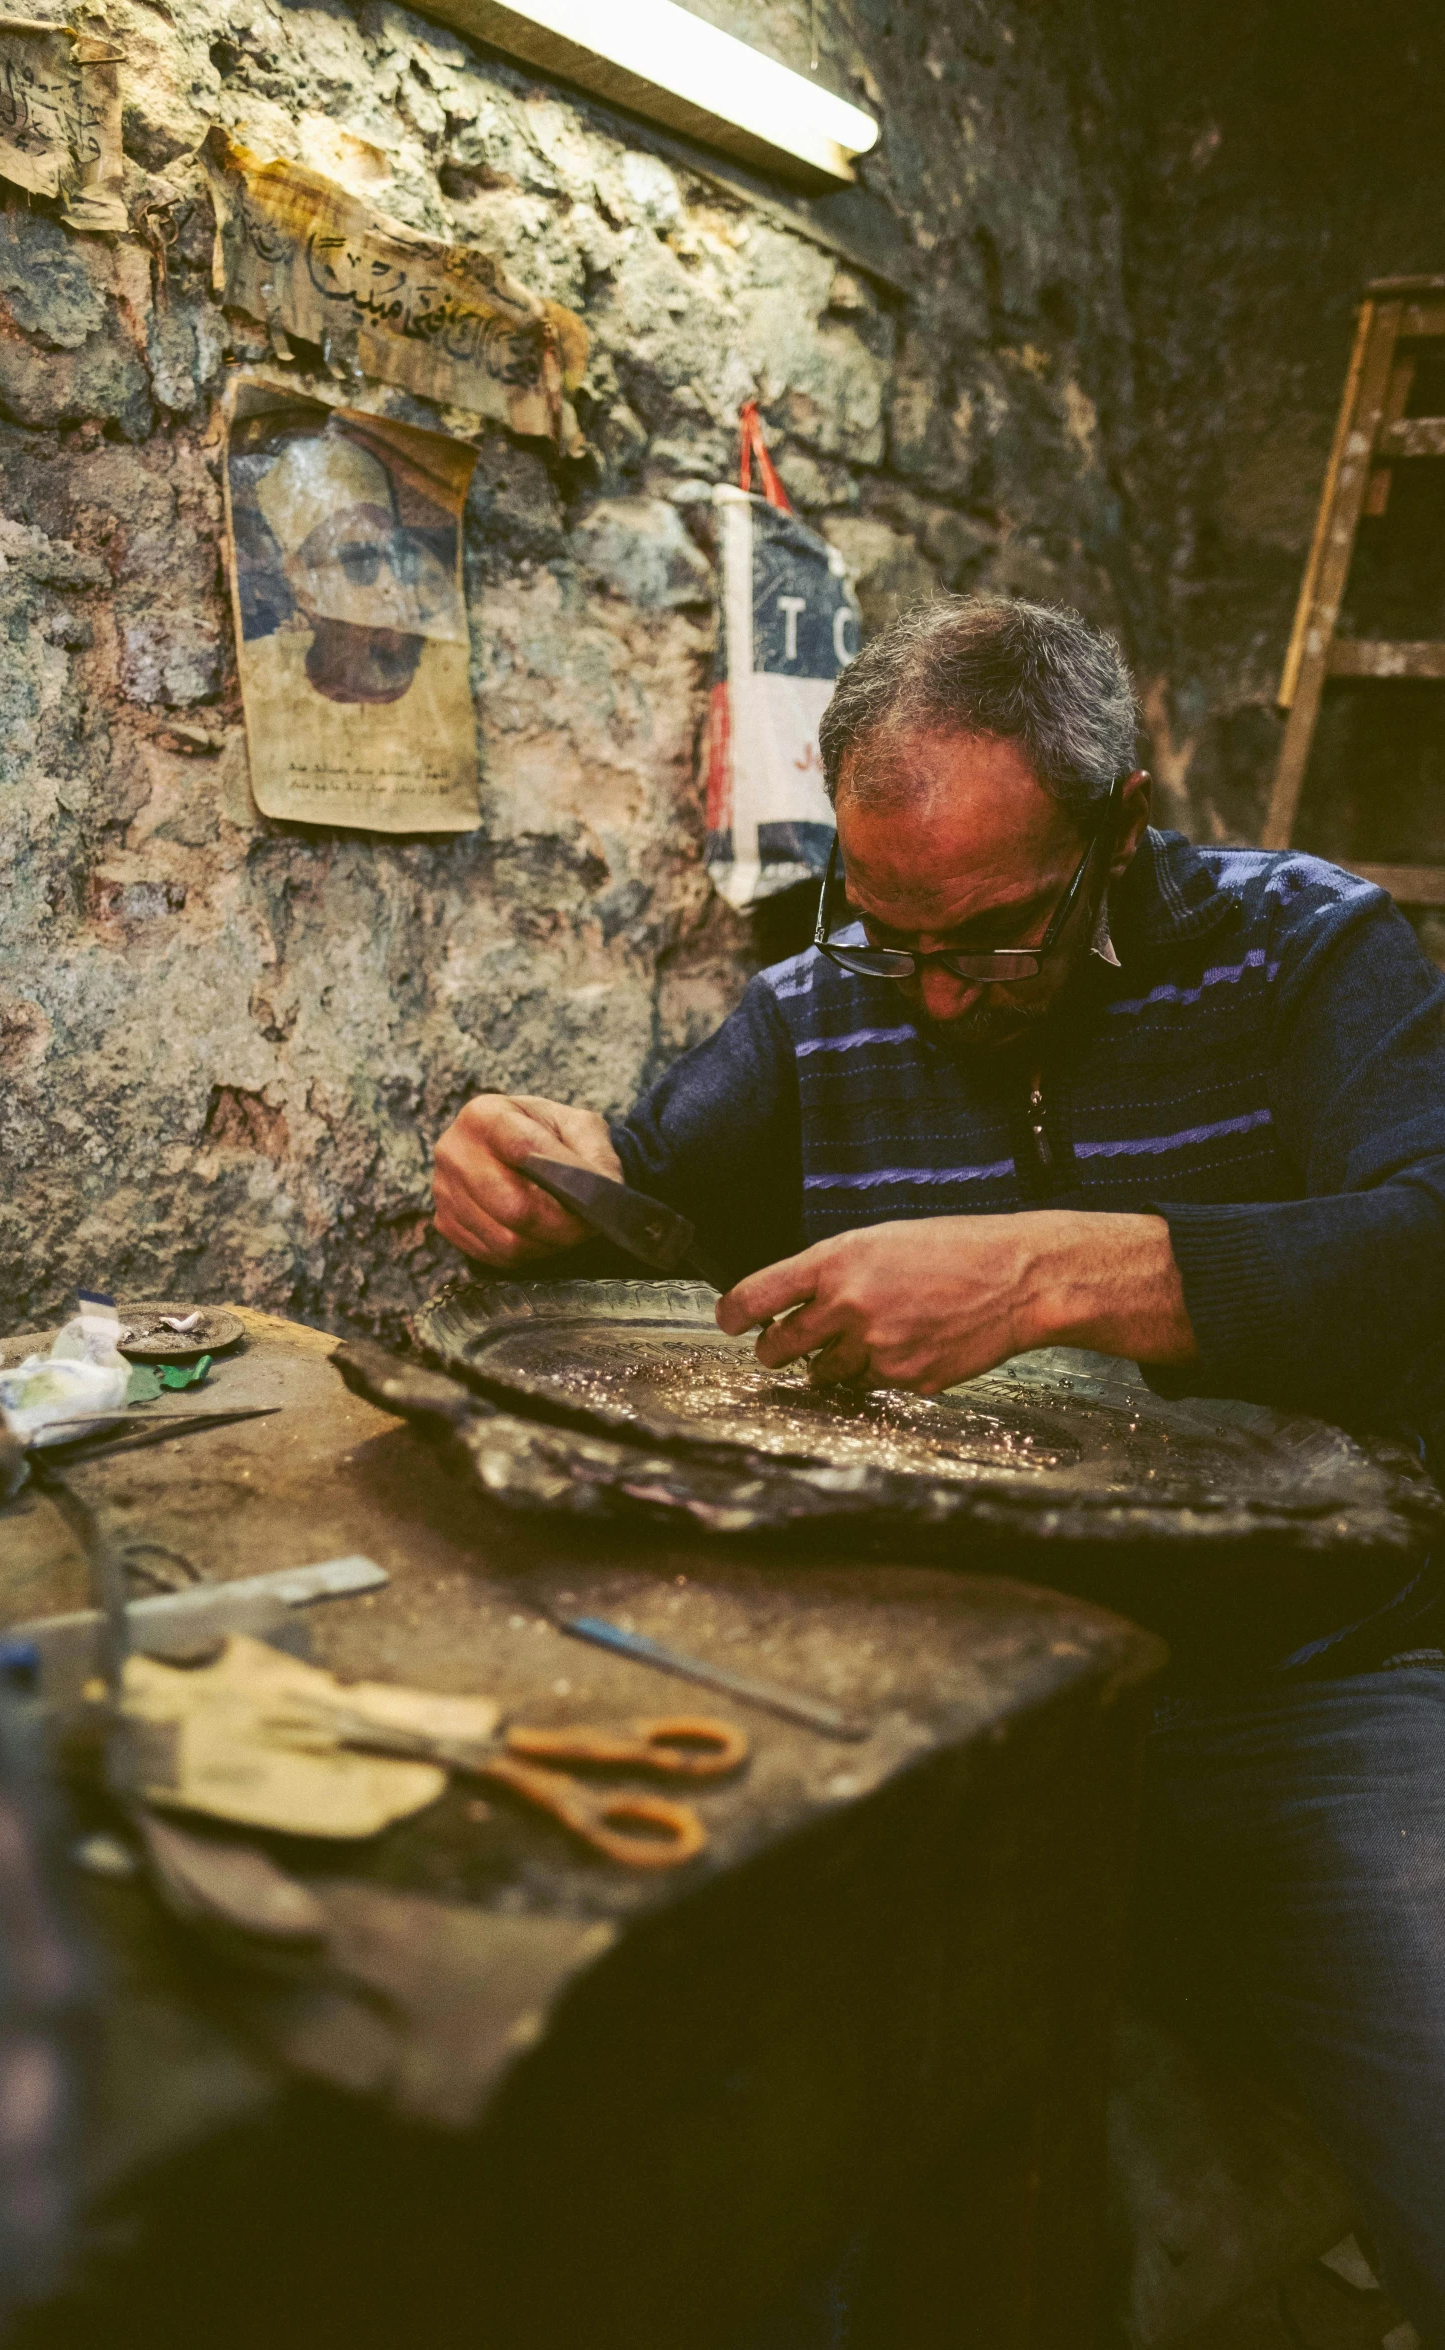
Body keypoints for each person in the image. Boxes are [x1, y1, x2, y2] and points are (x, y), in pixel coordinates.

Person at [432, 596, 1445, 2334]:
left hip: (1296, 1681)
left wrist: (1065, 1268)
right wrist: (525, 1179)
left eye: (995, 938)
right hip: (935, 1680)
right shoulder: (828, 1005)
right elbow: (652, 1193)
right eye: (889, 929)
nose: (941, 993)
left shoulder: (1305, 951)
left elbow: (1423, 1243)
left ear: (1120, 822)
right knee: (766, 2180)